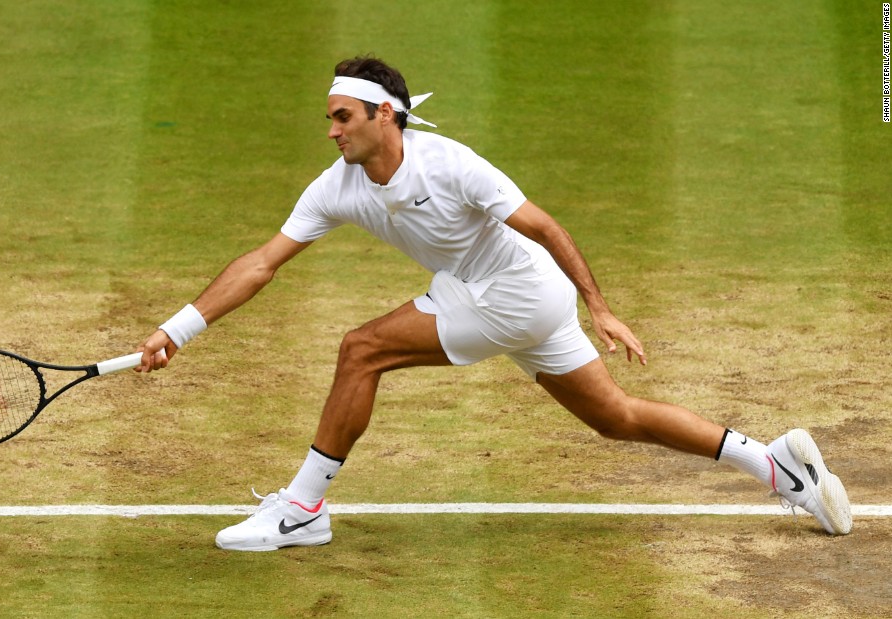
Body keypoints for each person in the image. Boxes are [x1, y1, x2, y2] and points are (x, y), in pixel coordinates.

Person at [136, 56, 852, 551]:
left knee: (362, 348)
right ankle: (782, 467)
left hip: (518, 291)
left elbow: (543, 226)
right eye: (329, 118)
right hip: (477, 290)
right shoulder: (337, 185)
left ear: (385, 114)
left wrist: (598, 306)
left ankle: (302, 509)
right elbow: (262, 262)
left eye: (342, 116)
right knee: (616, 418)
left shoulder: (451, 165)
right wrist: (178, 328)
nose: (331, 130)